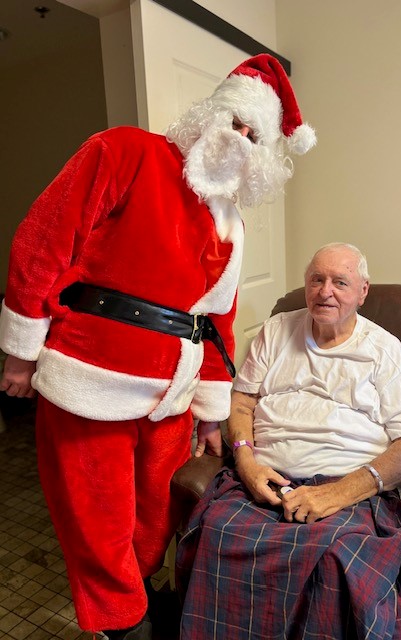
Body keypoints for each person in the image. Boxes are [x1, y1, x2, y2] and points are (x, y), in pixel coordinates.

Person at [0, 54, 316, 639]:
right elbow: (44, 241)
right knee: (97, 511)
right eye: (235, 123)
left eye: (254, 135)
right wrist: (21, 349)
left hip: (176, 388)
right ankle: (124, 624)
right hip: (91, 374)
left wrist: (213, 414)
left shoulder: (231, 222)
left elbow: (220, 317)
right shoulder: (125, 151)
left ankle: (137, 595)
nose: (239, 140)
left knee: (154, 513)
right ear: (209, 115)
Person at [177, 242, 401, 640]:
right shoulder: (277, 329)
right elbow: (243, 400)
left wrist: (337, 493)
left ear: (363, 291)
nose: (325, 291)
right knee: (218, 532)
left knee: (336, 562)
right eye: (316, 279)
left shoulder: (384, 351)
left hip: (349, 490)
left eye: (340, 282)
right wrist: (245, 462)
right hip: (265, 480)